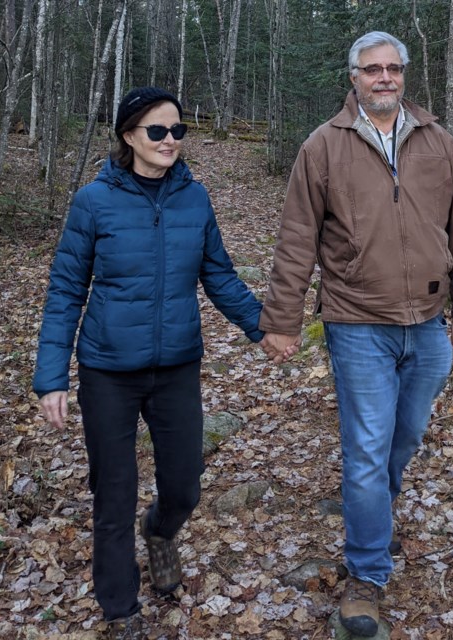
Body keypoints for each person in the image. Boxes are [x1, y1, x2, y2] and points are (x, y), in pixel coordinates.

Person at [33, 87, 286, 638]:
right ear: (129, 136)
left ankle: (161, 531)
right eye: (157, 131)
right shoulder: (93, 203)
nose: (170, 140)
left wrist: (261, 327)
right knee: (114, 493)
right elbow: (65, 292)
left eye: (177, 131)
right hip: (107, 371)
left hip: (175, 367)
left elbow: (217, 273)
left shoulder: (193, 198)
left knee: (184, 486)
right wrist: (51, 376)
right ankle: (120, 609)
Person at [259, 31, 453, 636]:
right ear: (353, 77)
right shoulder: (323, 146)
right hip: (357, 322)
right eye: (371, 69)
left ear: (404, 75)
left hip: (430, 325)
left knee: (401, 441)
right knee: (365, 450)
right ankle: (366, 574)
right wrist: (281, 320)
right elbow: (297, 237)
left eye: (392, 68)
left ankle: (371, 514)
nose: (383, 78)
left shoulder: (438, 142)